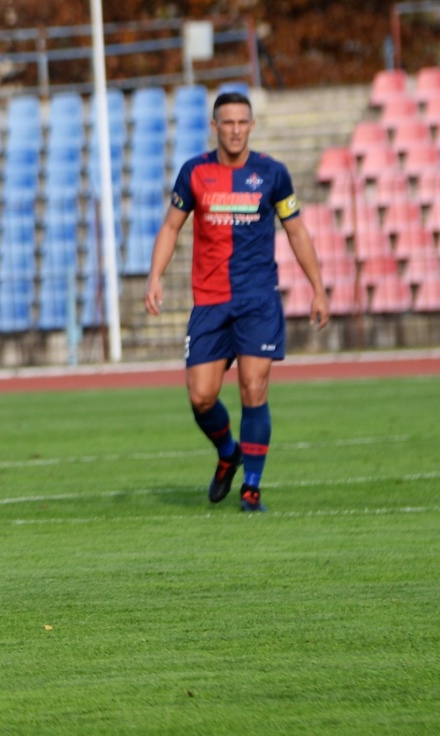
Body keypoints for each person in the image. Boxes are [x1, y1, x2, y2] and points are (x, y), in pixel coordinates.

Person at [145, 91, 329, 512]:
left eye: (242, 122)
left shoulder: (272, 173)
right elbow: (171, 227)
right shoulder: (194, 172)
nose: (235, 130)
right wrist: (155, 276)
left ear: (251, 125)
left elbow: (297, 231)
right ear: (215, 127)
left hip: (257, 299)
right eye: (227, 122)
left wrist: (318, 288)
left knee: (253, 387)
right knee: (201, 397)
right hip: (210, 302)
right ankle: (229, 453)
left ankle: (251, 488)